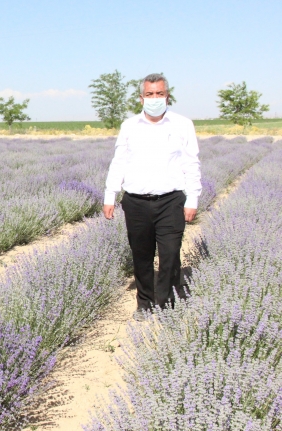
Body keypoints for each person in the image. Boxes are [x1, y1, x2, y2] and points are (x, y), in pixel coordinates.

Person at [102, 73, 201, 321]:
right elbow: (119, 162)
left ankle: (166, 305)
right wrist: (110, 194)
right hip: (135, 202)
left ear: (167, 96)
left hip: (171, 201)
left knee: (170, 254)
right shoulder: (129, 126)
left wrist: (193, 199)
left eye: (159, 93)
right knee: (142, 255)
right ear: (141, 98)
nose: (154, 98)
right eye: (149, 94)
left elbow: (192, 163)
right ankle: (144, 304)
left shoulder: (182, 125)